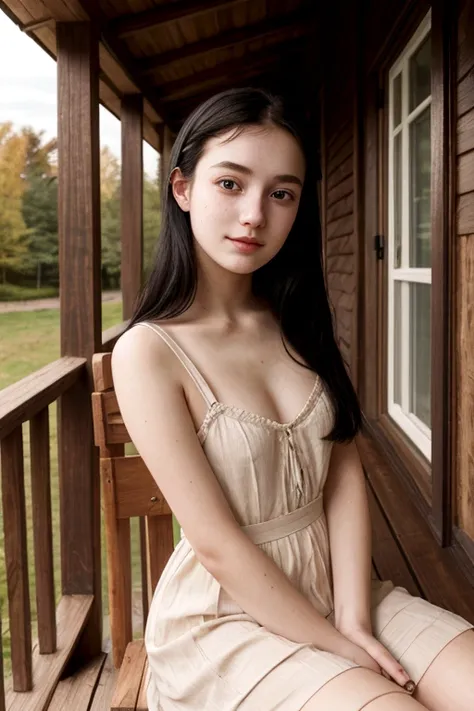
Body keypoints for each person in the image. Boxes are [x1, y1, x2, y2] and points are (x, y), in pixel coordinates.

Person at [112, 87, 473, 711]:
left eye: (281, 193)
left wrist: (355, 619)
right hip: (225, 616)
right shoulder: (149, 352)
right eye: (230, 184)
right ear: (182, 189)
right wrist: (338, 646)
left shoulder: (293, 321)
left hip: (340, 585)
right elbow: (218, 545)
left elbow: (342, 473)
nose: (255, 214)